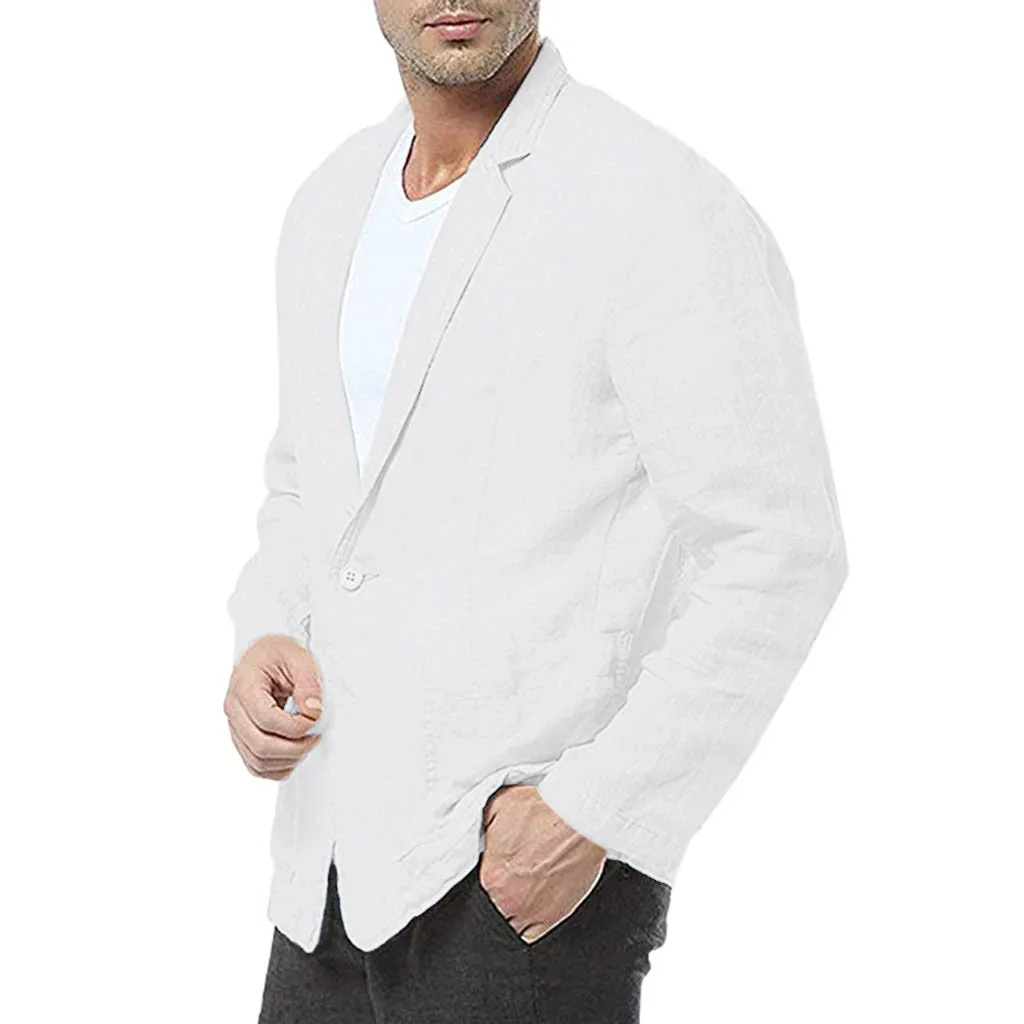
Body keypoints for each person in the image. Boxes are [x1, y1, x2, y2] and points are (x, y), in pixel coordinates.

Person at [223, 5, 848, 1021]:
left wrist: (594, 810)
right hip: (327, 870)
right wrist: (266, 631)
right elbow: (307, 484)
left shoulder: (652, 200)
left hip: (520, 887)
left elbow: (779, 548)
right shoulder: (329, 203)